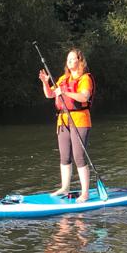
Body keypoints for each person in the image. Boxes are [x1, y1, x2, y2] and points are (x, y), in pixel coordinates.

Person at [39, 48, 94, 202]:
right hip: (63, 121)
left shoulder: (85, 78)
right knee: (64, 156)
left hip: (79, 120)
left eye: (72, 59)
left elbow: (84, 96)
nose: (69, 61)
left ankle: (85, 193)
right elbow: (50, 94)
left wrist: (64, 92)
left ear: (80, 60)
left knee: (79, 157)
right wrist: (45, 82)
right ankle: (65, 187)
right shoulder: (63, 79)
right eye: (68, 59)